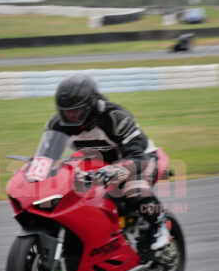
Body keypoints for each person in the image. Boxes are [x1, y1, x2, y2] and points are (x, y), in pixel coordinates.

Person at [45, 73, 170, 251]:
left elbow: (138, 157)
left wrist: (116, 170)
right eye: (65, 110)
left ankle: (159, 225)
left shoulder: (115, 117)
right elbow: (48, 157)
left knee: (133, 188)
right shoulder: (57, 124)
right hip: (98, 164)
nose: (70, 116)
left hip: (141, 159)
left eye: (76, 110)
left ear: (90, 105)